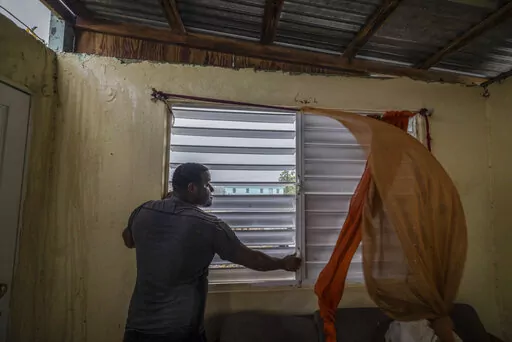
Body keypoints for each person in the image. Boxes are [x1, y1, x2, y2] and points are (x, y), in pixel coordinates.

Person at [122, 163, 302, 342]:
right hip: (180, 331)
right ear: (192, 188)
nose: (212, 188)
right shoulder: (209, 225)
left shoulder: (143, 211)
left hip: (137, 328)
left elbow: (129, 241)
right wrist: (283, 263)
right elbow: (252, 259)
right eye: (207, 184)